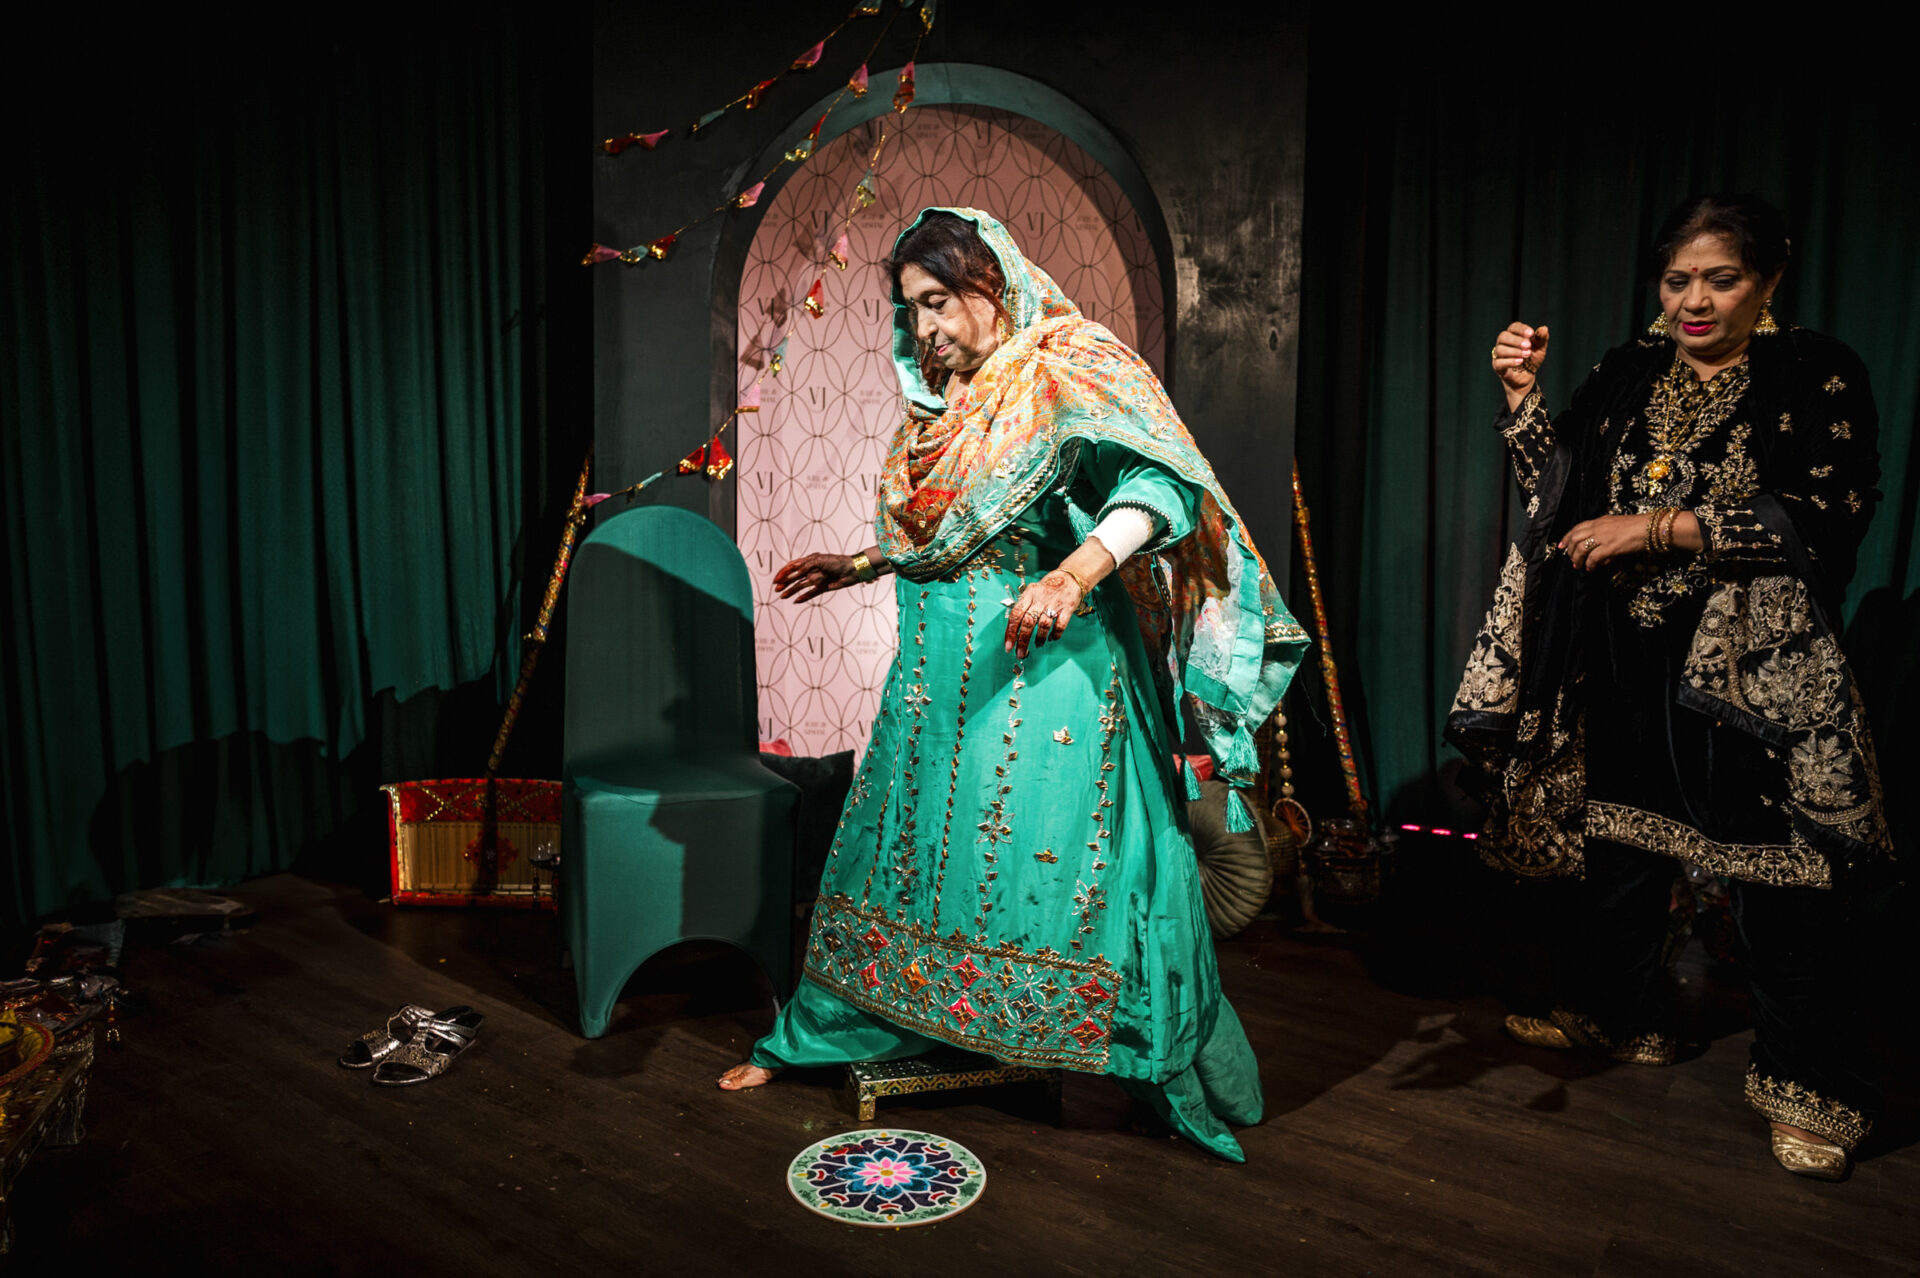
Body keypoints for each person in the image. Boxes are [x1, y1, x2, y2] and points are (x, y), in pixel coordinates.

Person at [716, 207, 1309, 1163]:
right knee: (905, 863)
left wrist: (1075, 575)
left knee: (1074, 883)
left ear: (991, 282)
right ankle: (828, 1036)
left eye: (940, 303)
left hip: (1054, 685)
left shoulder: (1066, 363)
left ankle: (1133, 1057)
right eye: (911, 312)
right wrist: (865, 563)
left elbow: (1162, 487)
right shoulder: (948, 407)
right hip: (938, 686)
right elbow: (956, 533)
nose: (926, 330)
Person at [1448, 193, 1892, 1180]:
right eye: (1678, 279)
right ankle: (1619, 1015)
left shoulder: (1814, 374)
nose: (1696, 299)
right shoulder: (1624, 372)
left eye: (1721, 278)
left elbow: (1819, 514)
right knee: (1617, 849)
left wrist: (1651, 529)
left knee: (1780, 882)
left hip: (1751, 668)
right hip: (1620, 654)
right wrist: (1523, 400)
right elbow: (1560, 496)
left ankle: (1811, 1087)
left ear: (1769, 280)